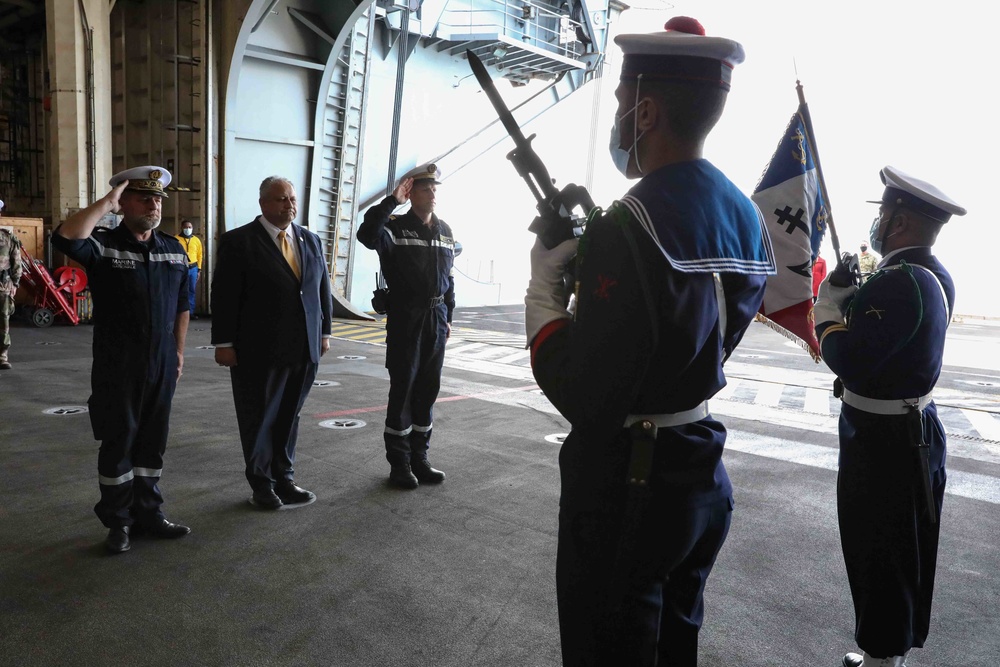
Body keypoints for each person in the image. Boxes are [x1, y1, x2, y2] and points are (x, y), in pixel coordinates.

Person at [524, 17, 775, 666]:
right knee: (672, 644)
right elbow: (693, 331)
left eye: (619, 103)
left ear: (646, 110)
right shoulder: (745, 214)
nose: (616, 117)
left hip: (628, 484)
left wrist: (545, 295)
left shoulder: (629, 221)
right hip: (698, 469)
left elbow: (589, 393)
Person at [813, 166, 965, 667]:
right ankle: (887, 655)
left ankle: (881, 659)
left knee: (878, 552)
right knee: (904, 551)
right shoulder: (933, 275)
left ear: (899, 223)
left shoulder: (897, 283)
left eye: (883, 214)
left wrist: (828, 305)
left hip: (883, 442)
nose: (877, 223)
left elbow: (850, 359)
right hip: (913, 430)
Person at [51, 166, 191, 554]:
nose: (154, 205)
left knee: (152, 443)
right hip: (119, 364)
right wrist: (105, 205)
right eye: (144, 198)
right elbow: (63, 237)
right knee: (119, 442)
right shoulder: (102, 245)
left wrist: (178, 353)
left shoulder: (174, 250)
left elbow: (183, 306)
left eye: (158, 198)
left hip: (162, 364)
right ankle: (118, 522)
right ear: (123, 203)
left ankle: (149, 513)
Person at [211, 176, 333, 509]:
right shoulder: (240, 241)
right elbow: (224, 295)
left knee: (289, 416)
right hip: (258, 348)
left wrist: (324, 332)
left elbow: (321, 290)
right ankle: (261, 483)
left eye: (292, 199)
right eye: (281, 199)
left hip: (303, 346)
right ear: (263, 202)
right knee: (259, 416)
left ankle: (285, 477)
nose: (288, 205)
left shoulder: (310, 240)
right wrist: (224, 342)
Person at [357, 163, 457, 490]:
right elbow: (366, 234)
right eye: (426, 188)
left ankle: (420, 459)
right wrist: (391, 202)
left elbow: (448, 280)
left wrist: (449, 318)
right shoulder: (395, 228)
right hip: (406, 319)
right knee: (403, 391)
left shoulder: (445, 231)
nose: (433, 194)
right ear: (411, 193)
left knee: (428, 391)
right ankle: (399, 464)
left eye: (435, 189)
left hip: (436, 321)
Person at [0, 222, 22, 370]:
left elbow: (16, 262)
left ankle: (2, 356)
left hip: (2, 286)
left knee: (3, 321)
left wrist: (15, 283)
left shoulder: (7, 238)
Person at [175, 219, 203, 318]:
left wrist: (199, 269)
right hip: (181, 267)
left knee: (191, 290)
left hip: (193, 268)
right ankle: (179, 312)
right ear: (181, 228)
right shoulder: (176, 239)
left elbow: (200, 255)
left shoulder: (196, 240)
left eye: (190, 227)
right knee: (180, 290)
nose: (188, 229)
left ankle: (190, 312)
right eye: (186, 227)